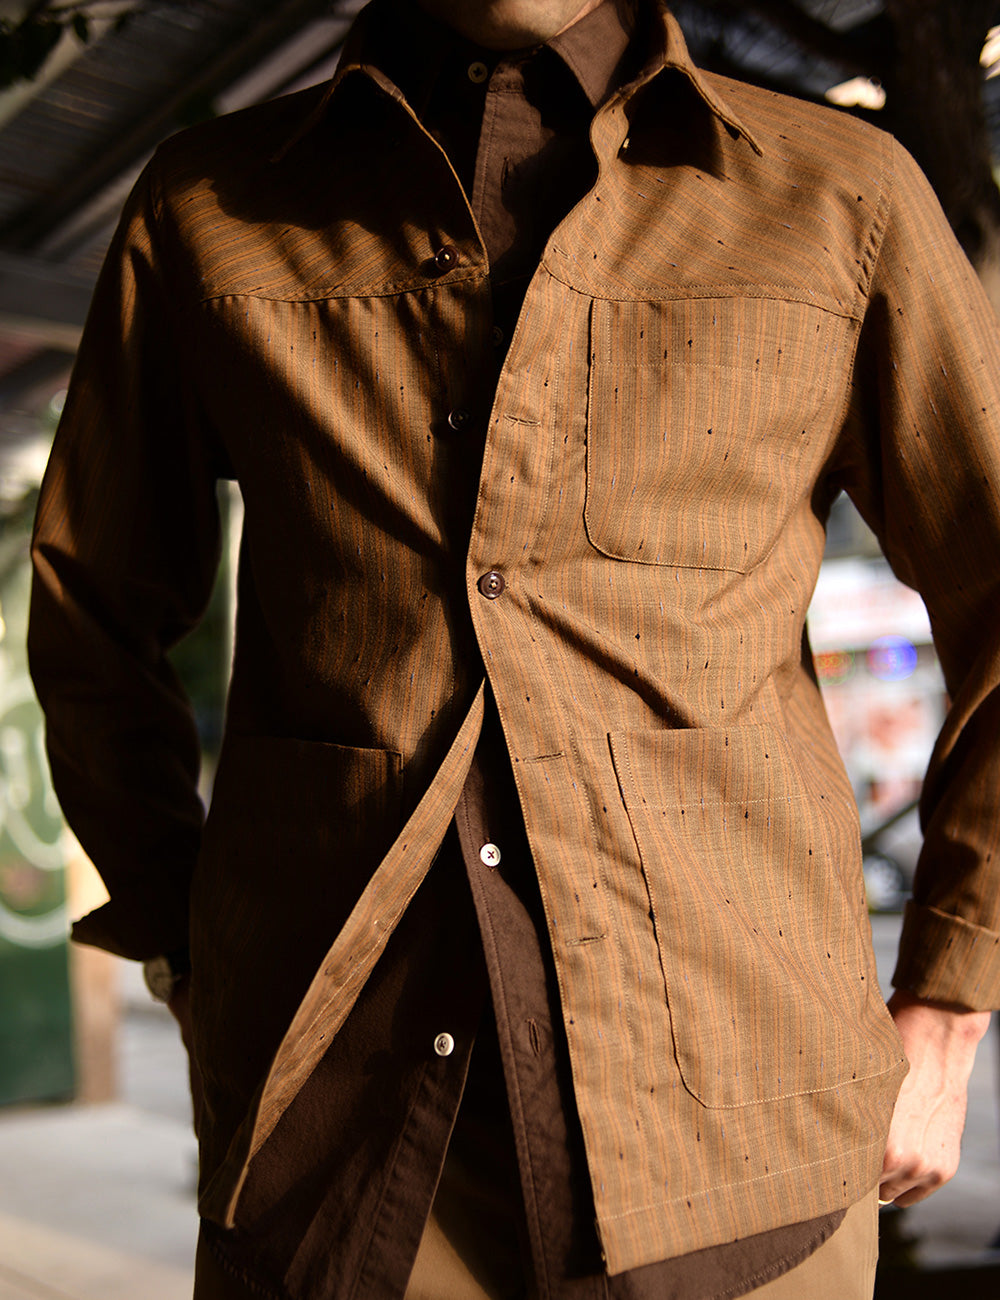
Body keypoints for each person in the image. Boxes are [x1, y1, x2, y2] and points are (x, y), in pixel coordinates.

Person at [28, 0, 1000, 1295]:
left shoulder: (840, 195)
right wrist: (177, 936)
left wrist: (948, 999)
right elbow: (93, 611)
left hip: (744, 1132)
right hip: (338, 1137)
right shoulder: (213, 203)